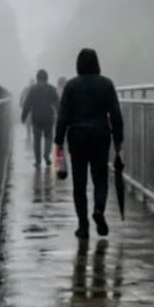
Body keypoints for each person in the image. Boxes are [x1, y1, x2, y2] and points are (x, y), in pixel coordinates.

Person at [54, 48, 123, 239]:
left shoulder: (71, 86)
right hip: (101, 136)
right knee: (100, 178)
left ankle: (83, 225)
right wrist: (118, 139)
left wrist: (58, 141)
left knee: (79, 183)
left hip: (77, 138)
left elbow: (63, 116)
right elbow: (115, 114)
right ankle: (99, 209)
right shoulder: (106, 84)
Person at [21, 69, 59, 168]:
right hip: (48, 118)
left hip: (36, 118)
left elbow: (27, 104)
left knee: (37, 140)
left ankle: (38, 161)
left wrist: (23, 116)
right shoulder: (52, 89)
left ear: (37, 78)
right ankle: (46, 155)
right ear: (47, 78)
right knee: (48, 137)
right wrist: (60, 115)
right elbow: (57, 104)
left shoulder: (32, 89)